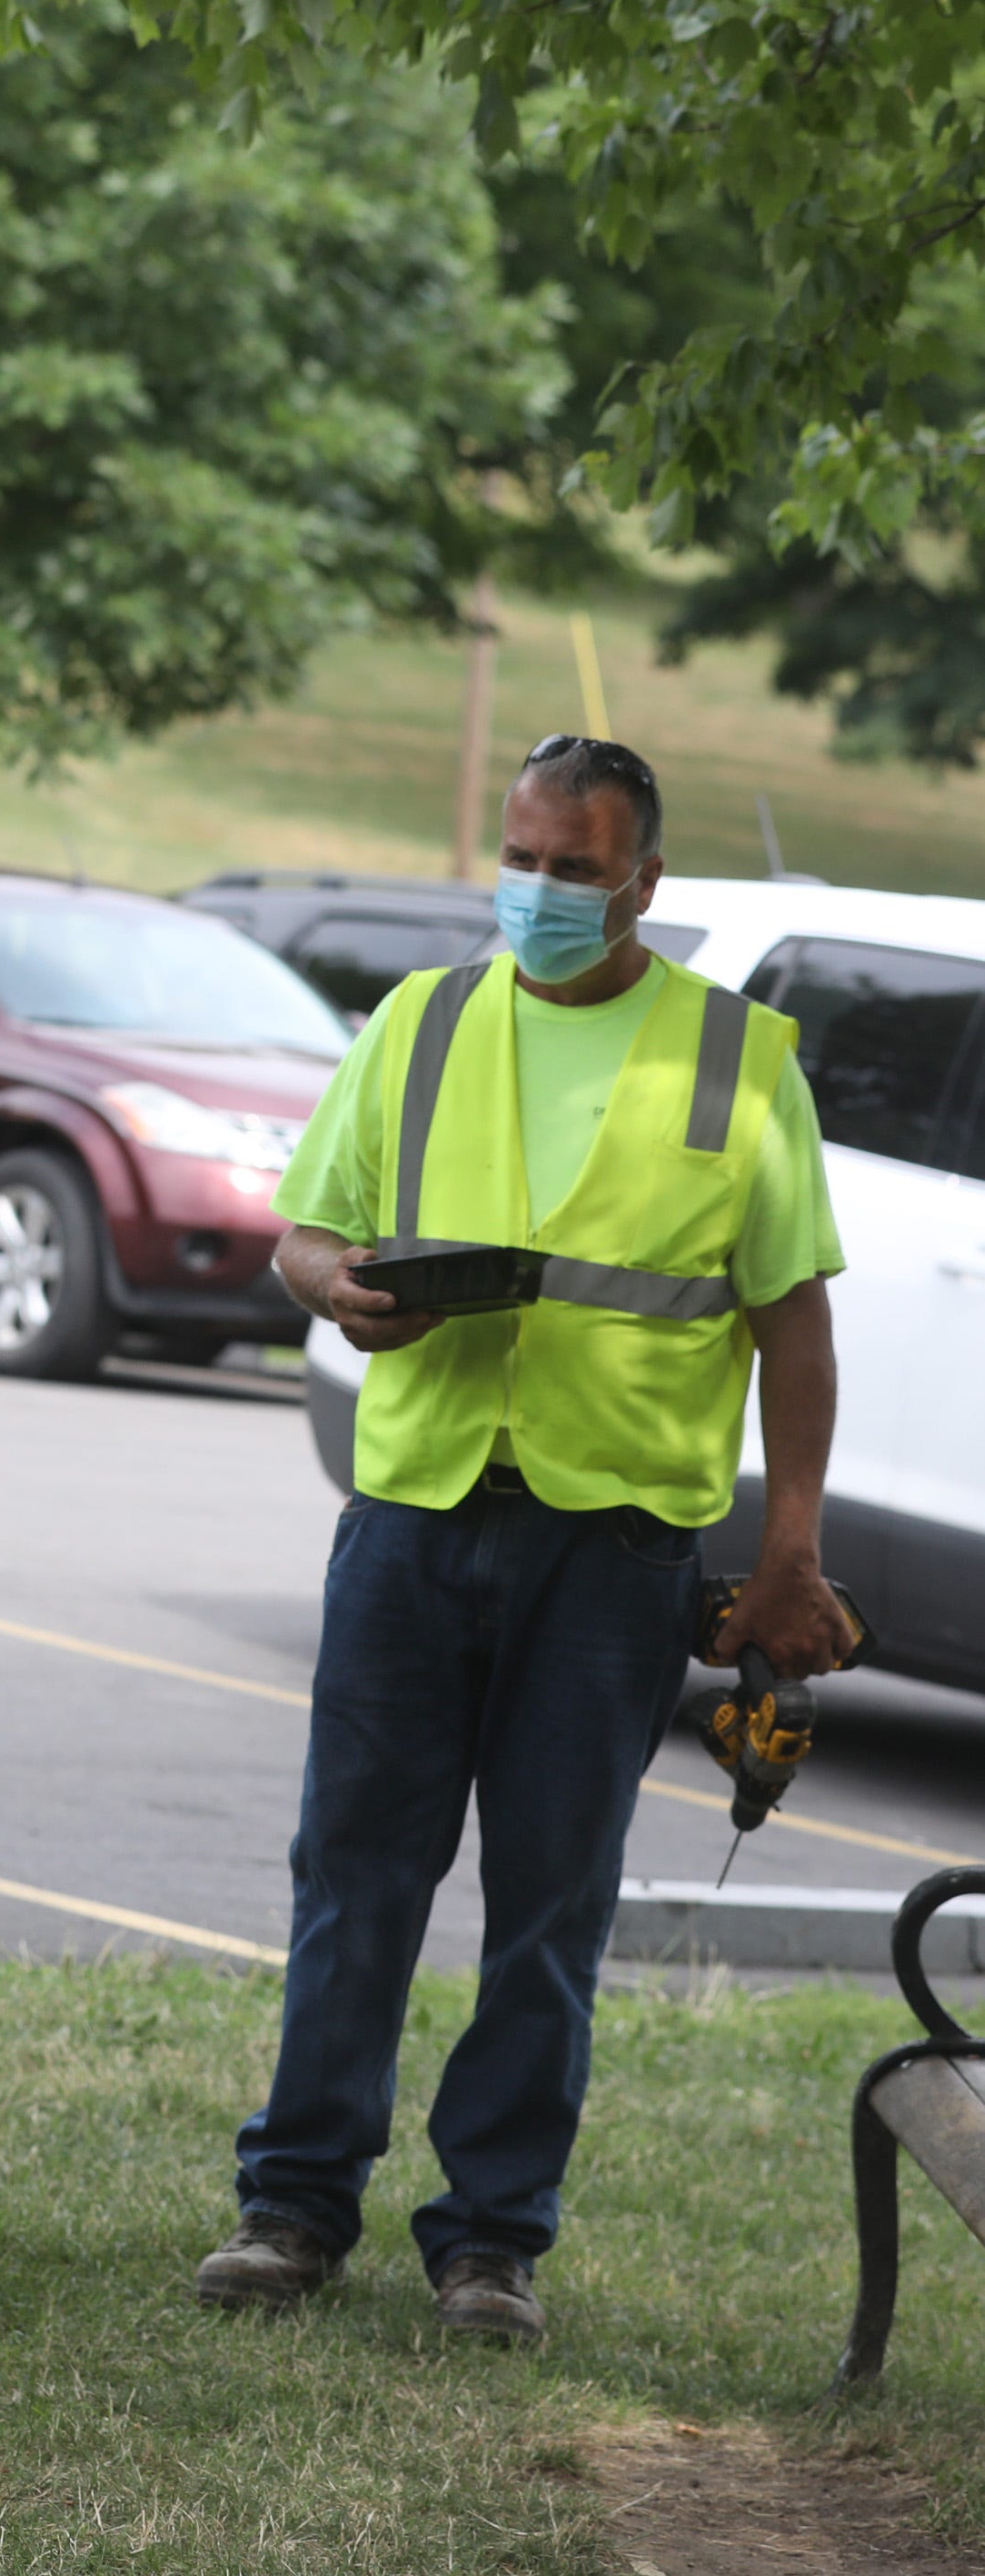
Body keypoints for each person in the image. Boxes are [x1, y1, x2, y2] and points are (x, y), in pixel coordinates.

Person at [196, 733, 855, 2343]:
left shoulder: (738, 1059)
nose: (540, 890)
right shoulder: (419, 1024)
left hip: (612, 1547)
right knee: (352, 1875)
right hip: (415, 1516)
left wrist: (787, 1550)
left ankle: (489, 2239)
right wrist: (329, 1285)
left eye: (577, 868)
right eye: (522, 856)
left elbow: (794, 1329)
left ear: (644, 882)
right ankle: (294, 2207)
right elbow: (304, 1227)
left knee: (551, 1898)